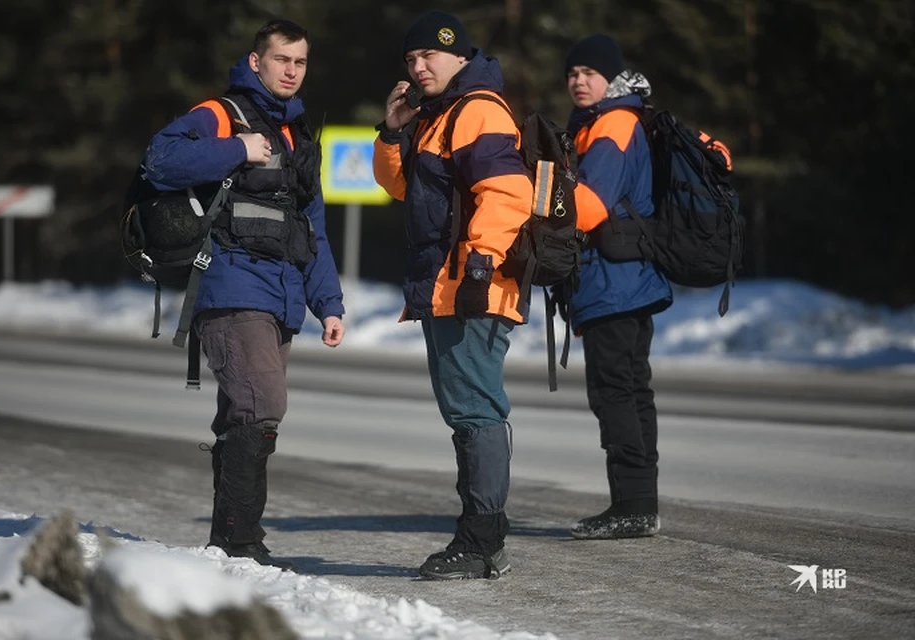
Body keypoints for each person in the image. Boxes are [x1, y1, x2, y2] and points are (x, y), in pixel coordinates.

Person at [142, 19, 345, 566]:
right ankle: (241, 540)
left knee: (243, 411)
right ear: (256, 61)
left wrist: (328, 302)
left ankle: (226, 541)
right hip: (230, 281)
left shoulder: (299, 135)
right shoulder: (220, 114)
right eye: (281, 59)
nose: (291, 71)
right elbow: (159, 160)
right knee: (262, 403)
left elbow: (312, 227)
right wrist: (235, 148)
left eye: (300, 62)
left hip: (281, 291)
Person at [373, 11, 533, 579]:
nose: (419, 68)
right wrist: (392, 132)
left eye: (430, 57)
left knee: (474, 409)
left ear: (460, 57)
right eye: (411, 60)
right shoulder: (435, 116)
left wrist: (481, 265)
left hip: (471, 286)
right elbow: (399, 187)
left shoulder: (477, 109)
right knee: (466, 410)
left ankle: (483, 539)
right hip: (447, 285)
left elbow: (508, 190)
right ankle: (482, 536)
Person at [562, 34, 673, 539]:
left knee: (615, 394)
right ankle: (639, 504)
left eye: (589, 72)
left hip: (613, 284)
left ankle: (631, 506)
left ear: (611, 77)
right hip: (630, 280)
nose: (578, 81)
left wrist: (542, 199)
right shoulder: (612, 122)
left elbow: (589, 206)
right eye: (572, 73)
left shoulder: (610, 125)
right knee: (631, 391)